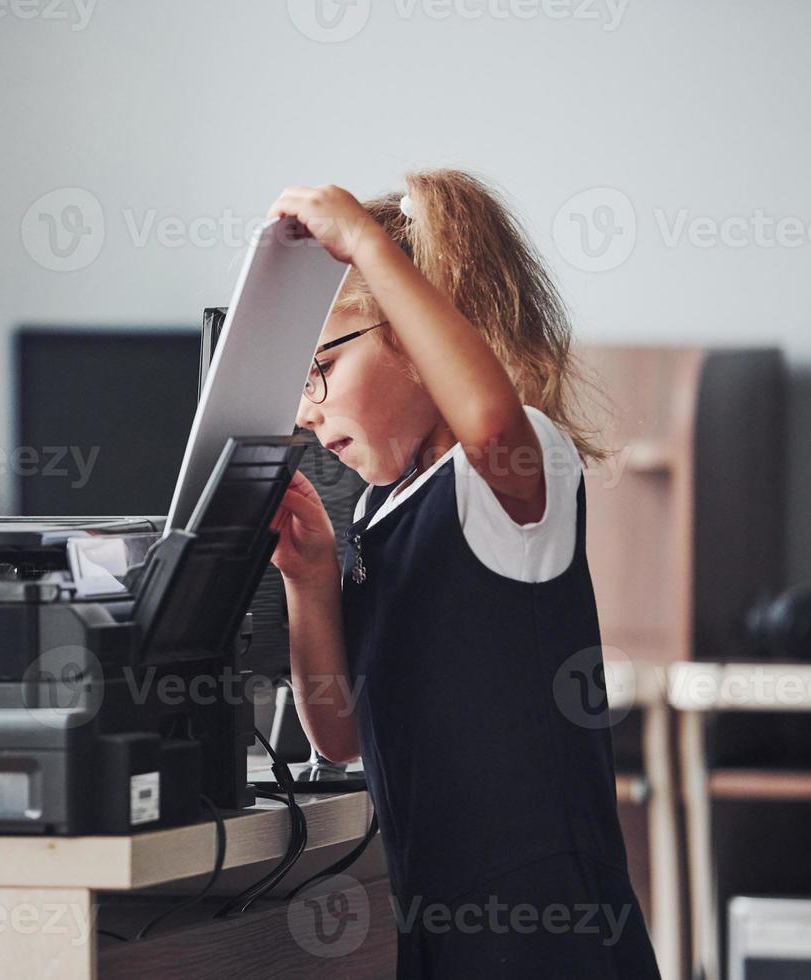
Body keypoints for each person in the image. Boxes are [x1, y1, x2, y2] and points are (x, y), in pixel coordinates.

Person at [267, 171, 662, 978]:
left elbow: (485, 422)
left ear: (411, 341)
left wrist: (366, 245)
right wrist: (308, 581)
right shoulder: (383, 513)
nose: (305, 411)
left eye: (321, 371)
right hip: (446, 923)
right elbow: (341, 736)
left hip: (548, 930)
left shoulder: (516, 466)